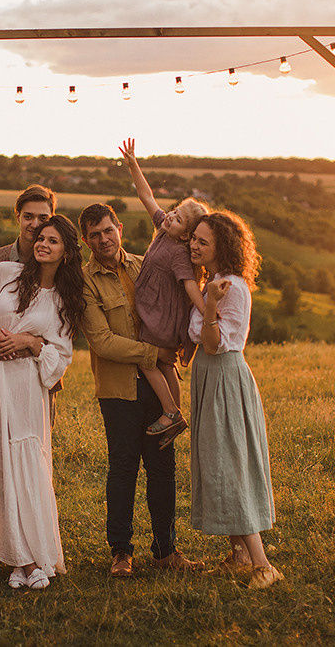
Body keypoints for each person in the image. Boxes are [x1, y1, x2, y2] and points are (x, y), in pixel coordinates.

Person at [0, 215, 85, 590]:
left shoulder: (64, 297)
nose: (43, 244)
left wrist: (30, 342)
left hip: (26, 383)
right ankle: (14, 556)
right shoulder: (5, 272)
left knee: (25, 461)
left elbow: (61, 356)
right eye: (41, 238)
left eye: (53, 241)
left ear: (66, 251)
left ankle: (35, 556)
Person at [78, 203, 204, 578]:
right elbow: (102, 341)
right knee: (123, 470)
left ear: (119, 228)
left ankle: (166, 550)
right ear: (86, 240)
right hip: (118, 388)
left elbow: (180, 297)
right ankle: (121, 552)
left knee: (163, 469)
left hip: (160, 385)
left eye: (108, 230)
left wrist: (183, 343)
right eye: (95, 235)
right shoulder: (84, 282)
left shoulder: (144, 262)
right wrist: (156, 352)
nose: (104, 239)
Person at [0, 183, 57, 574]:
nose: (36, 225)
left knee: (28, 460)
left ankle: (32, 543)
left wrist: (30, 343)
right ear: (17, 217)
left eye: (43, 218)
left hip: (32, 378)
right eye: (29, 216)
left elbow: (58, 331)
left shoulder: (59, 265)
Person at [187, 211, 282, 589]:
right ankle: (239, 555)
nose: (194, 245)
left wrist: (210, 304)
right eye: (193, 238)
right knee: (215, 461)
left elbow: (213, 342)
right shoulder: (213, 281)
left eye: (203, 241)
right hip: (209, 376)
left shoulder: (233, 288)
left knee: (230, 464)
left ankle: (263, 565)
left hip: (226, 375)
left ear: (221, 246)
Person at [118, 138, 209, 447]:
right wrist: (133, 165)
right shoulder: (163, 227)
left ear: (186, 234)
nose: (170, 216)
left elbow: (189, 285)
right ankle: (176, 413)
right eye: (174, 211)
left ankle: (170, 412)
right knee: (164, 364)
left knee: (147, 359)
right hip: (155, 310)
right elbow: (146, 195)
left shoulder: (180, 252)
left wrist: (207, 310)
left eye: (178, 218)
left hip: (162, 316)